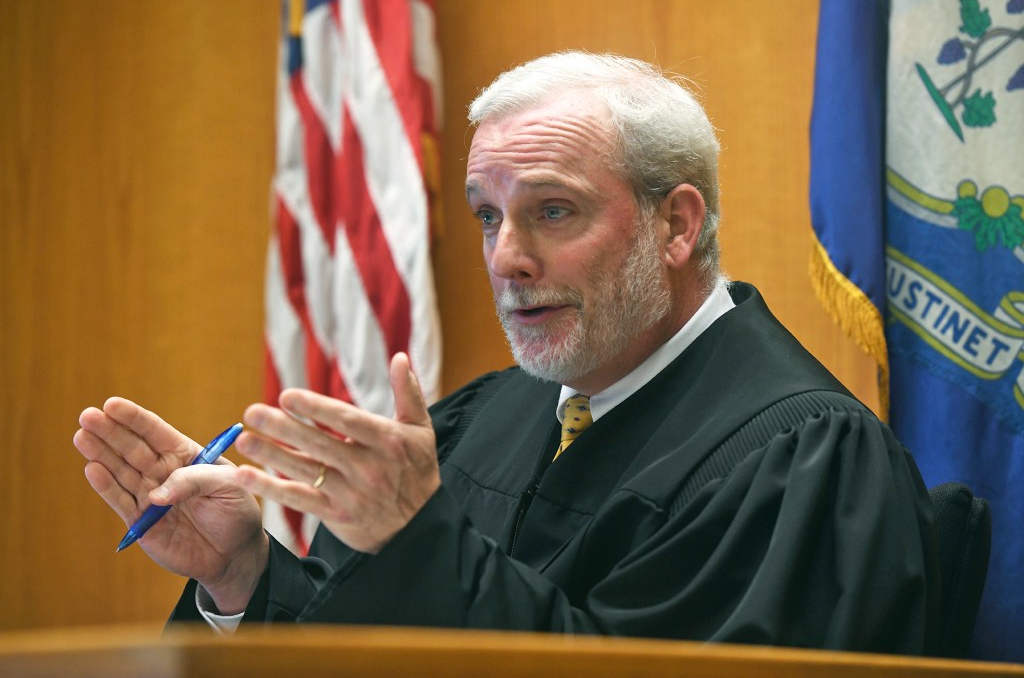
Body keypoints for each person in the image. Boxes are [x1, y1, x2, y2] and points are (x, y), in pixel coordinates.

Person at [74, 51, 940, 653]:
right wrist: (242, 575)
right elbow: (350, 646)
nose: (505, 258)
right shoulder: (484, 416)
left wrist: (423, 545)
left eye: (552, 211)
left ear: (676, 224)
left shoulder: (801, 461)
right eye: (488, 214)